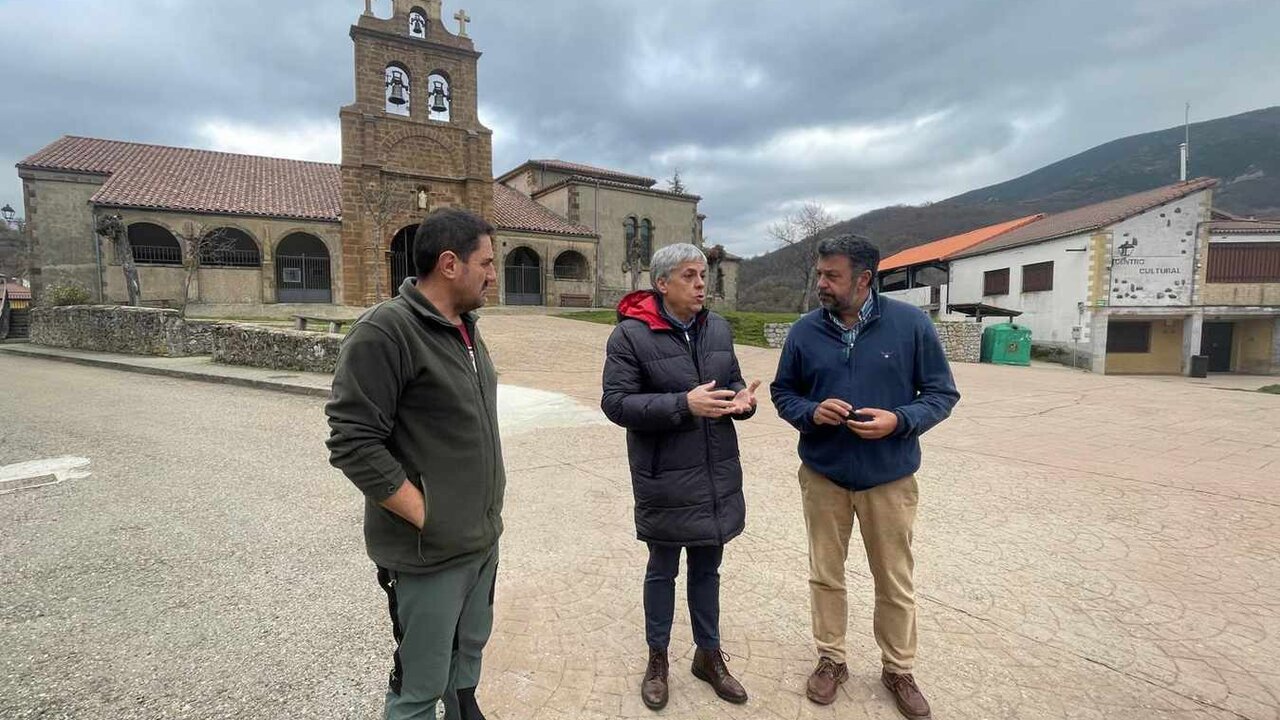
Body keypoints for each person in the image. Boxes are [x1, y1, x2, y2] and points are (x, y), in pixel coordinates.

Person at [770, 234, 959, 719]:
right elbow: (782, 392)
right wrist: (812, 412)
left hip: (889, 479)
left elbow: (941, 394)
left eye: (831, 276)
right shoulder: (805, 331)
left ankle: (898, 668)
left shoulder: (911, 325)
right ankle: (831, 659)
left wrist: (900, 420)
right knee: (825, 575)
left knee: (894, 579)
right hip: (824, 476)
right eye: (819, 274)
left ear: (864, 279)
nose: (821, 284)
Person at [325, 208, 503, 720]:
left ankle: (465, 707)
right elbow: (352, 441)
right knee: (419, 684)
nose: (493, 274)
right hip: (428, 552)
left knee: (467, 650)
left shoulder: (465, 326)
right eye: (486, 263)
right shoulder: (386, 331)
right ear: (449, 264)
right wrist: (428, 514)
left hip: (481, 539)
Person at [601, 242, 761, 710]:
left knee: (708, 570)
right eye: (689, 276)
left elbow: (730, 382)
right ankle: (657, 660)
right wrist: (681, 405)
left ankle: (708, 657)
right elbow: (615, 403)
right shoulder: (630, 337)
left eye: (703, 275)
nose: (700, 284)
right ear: (663, 283)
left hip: (716, 475)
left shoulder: (718, 329)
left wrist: (740, 403)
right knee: (663, 570)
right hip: (665, 476)